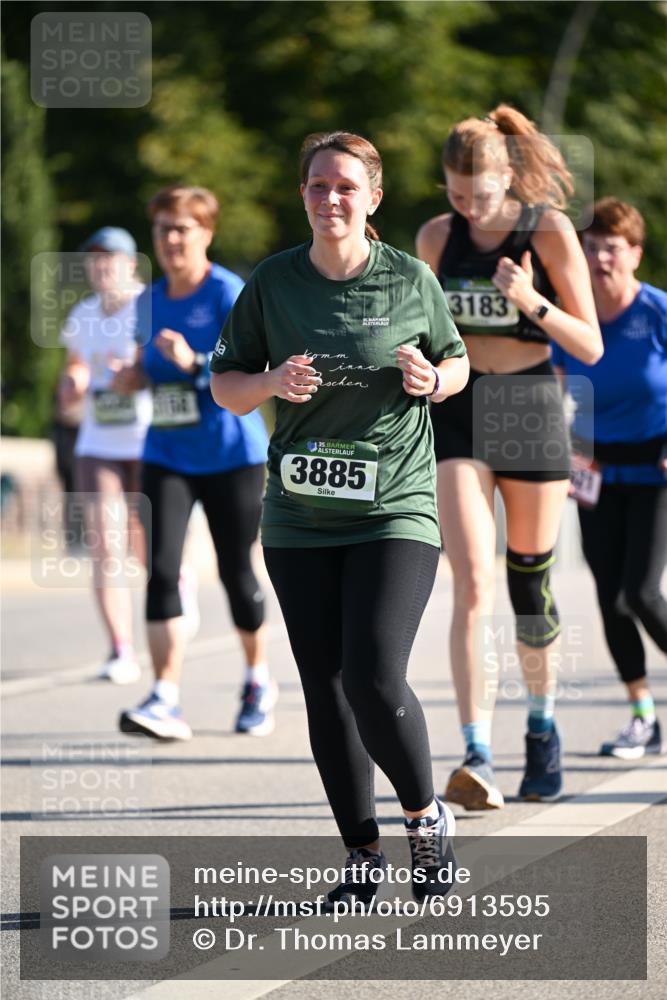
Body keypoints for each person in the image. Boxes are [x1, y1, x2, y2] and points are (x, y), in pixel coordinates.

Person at [211, 131, 469, 902]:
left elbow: (456, 362)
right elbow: (225, 384)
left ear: (373, 199)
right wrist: (268, 382)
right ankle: (361, 854)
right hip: (298, 515)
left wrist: (432, 378)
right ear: (303, 196)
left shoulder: (410, 279)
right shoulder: (272, 282)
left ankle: (425, 822)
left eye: (345, 188)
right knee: (322, 686)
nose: (331, 199)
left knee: (372, 673)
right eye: (318, 186)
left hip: (394, 504)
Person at [416, 105, 603, 808]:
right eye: (457, 195)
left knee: (529, 585)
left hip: (528, 406)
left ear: (507, 178)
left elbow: (589, 345)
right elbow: (422, 326)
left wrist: (531, 299)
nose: (469, 207)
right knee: (469, 580)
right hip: (459, 409)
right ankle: (475, 752)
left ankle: (541, 728)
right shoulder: (437, 236)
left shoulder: (547, 229)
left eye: (482, 196)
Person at [115, 186, 273, 741]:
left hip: (232, 455)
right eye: (163, 230)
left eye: (183, 228)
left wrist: (195, 362)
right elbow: (144, 368)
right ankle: (165, 697)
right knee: (160, 569)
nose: (172, 239)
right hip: (167, 453)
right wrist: (133, 376)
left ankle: (257, 679)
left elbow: (256, 371)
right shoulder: (146, 301)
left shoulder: (230, 292)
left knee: (236, 572)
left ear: (207, 232)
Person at [552, 198, 666, 759]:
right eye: (590, 247)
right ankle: (643, 716)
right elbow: (553, 395)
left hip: (657, 466)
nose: (599, 258)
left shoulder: (658, 311)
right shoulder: (572, 321)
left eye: (611, 248)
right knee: (609, 600)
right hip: (595, 469)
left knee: (641, 592)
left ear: (635, 254)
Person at [58, 226, 150, 683]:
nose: (101, 267)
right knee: (104, 546)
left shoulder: (150, 305)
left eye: (110, 259)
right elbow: (74, 366)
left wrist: (135, 370)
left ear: (130, 264)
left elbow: (164, 364)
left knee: (147, 546)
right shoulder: (82, 314)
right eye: (94, 260)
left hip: (148, 441)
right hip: (98, 444)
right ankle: (121, 649)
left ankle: (175, 595)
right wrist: (71, 382)